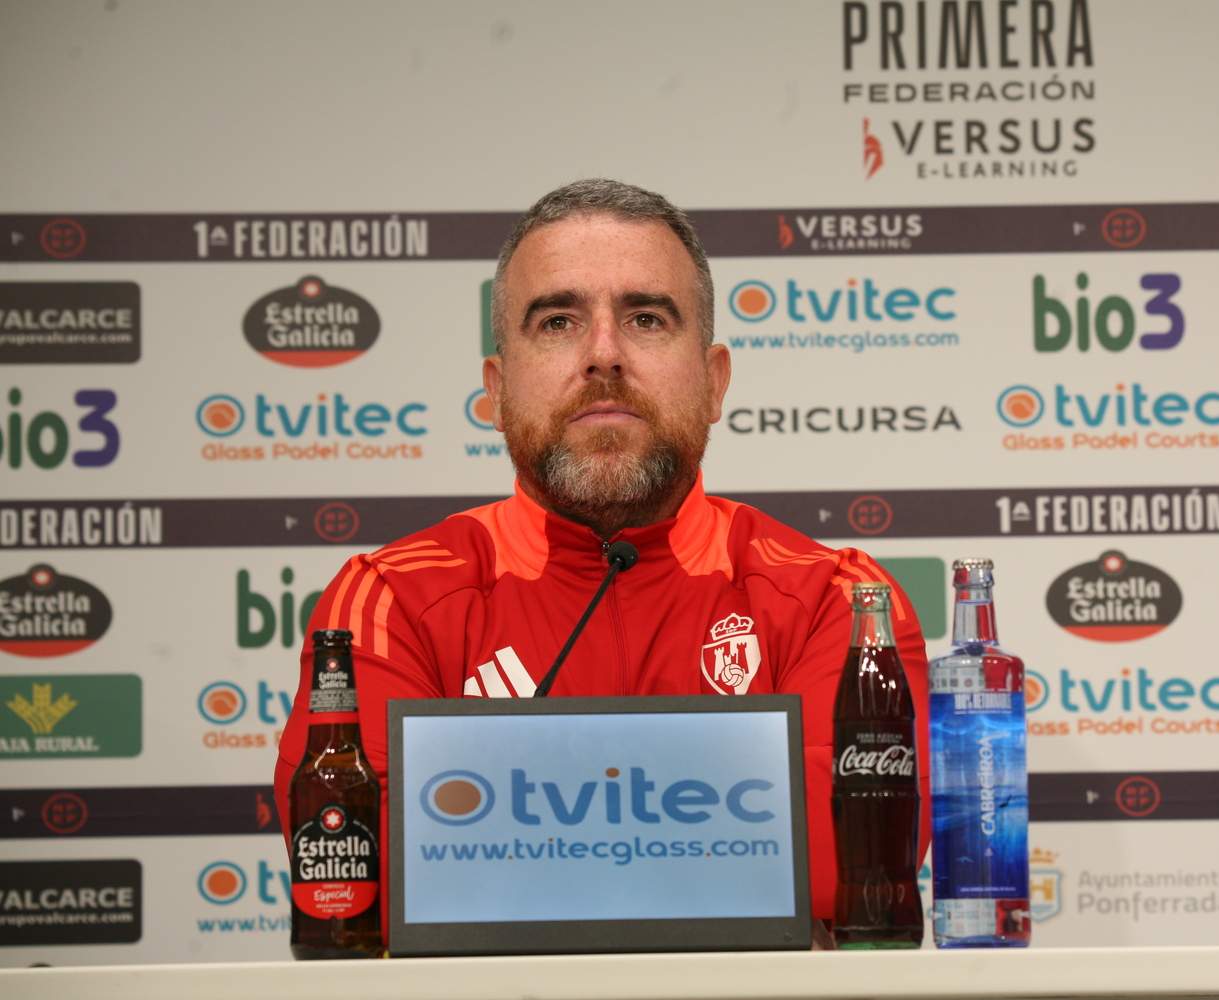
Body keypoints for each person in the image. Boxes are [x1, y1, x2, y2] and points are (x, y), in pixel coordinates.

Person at [274, 178, 930, 943]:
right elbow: (351, 870)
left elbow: (853, 858)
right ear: (495, 389)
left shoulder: (839, 599)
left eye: (646, 318)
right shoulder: (390, 597)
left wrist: (504, 817)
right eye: (558, 321)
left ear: (714, 381)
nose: (604, 355)